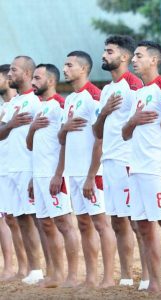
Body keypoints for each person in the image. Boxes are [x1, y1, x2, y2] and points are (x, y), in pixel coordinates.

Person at [122, 41, 161, 293]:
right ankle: (154, 282)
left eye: (138, 56)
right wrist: (134, 120)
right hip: (135, 168)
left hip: (156, 168)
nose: (134, 60)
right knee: (143, 227)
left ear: (154, 60)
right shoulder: (138, 92)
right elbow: (125, 133)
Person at [93, 35, 149, 289]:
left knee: (137, 221)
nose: (104, 55)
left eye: (110, 51)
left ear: (124, 57)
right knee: (117, 220)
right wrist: (104, 112)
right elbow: (98, 131)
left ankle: (148, 275)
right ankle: (126, 275)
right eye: (105, 51)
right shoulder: (106, 89)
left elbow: (144, 120)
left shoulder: (134, 84)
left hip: (129, 161)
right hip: (110, 160)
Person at [58, 50, 116, 288]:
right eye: (64, 64)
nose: (65, 69)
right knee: (83, 224)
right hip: (73, 171)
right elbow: (62, 138)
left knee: (101, 223)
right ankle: (91, 276)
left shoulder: (95, 96)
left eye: (69, 65)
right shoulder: (71, 99)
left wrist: (92, 175)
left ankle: (109, 277)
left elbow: (100, 139)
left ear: (83, 69)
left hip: (92, 173)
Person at [26, 63, 79, 288]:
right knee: (46, 224)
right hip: (38, 175)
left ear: (50, 81)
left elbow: (67, 142)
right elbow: (30, 145)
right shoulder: (39, 107)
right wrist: (32, 128)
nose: (33, 82)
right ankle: (55, 273)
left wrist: (59, 174)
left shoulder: (61, 105)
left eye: (37, 78)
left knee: (65, 224)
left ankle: (73, 275)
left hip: (54, 175)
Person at [0, 56, 45, 284]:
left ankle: (50, 268)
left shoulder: (36, 102)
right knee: (19, 219)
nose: (9, 74)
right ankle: (33, 269)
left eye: (14, 70)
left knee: (39, 219)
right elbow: (1, 133)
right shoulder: (13, 103)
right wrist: (10, 124)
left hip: (28, 168)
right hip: (11, 169)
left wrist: (36, 171)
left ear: (27, 74)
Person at [0, 64, 24, 280]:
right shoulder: (3, 107)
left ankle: (24, 267)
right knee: (5, 219)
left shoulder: (20, 104)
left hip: (15, 168)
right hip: (3, 169)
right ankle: (10, 266)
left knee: (18, 219)